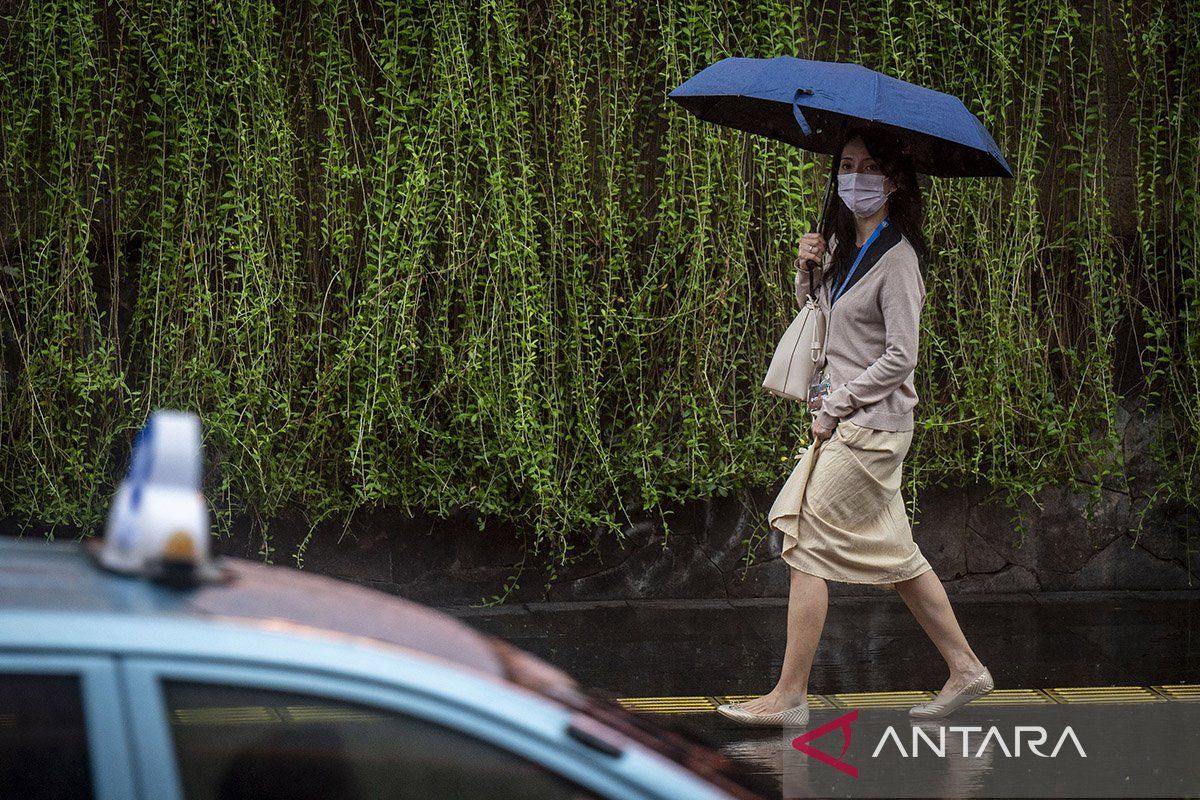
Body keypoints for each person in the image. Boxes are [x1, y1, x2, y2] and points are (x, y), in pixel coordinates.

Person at [718, 127, 992, 728]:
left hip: (871, 426)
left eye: (869, 167)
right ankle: (967, 668)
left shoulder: (898, 260)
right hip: (849, 421)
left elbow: (901, 356)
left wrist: (839, 400)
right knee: (899, 556)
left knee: (806, 537)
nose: (855, 176)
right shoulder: (844, 248)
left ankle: (789, 696)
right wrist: (806, 270)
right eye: (846, 165)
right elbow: (824, 320)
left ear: (893, 181)